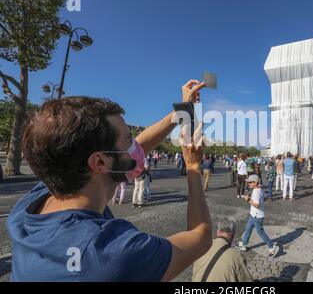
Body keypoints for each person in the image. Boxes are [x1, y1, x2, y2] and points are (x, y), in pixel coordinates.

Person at [7, 80, 212, 282]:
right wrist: (193, 166)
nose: (134, 145)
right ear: (100, 162)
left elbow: (125, 152)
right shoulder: (110, 251)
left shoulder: (37, 199)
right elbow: (200, 237)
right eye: (128, 140)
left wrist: (183, 110)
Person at [237, 175, 280, 258]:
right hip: (254, 214)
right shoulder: (258, 189)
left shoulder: (256, 192)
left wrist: (248, 200)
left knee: (260, 232)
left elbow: (256, 205)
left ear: (255, 183)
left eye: (250, 182)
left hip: (257, 216)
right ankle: (244, 244)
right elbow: (266, 197)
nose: (248, 184)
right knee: (248, 228)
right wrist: (252, 198)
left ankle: (271, 246)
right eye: (248, 182)